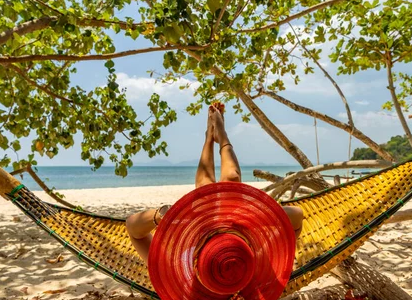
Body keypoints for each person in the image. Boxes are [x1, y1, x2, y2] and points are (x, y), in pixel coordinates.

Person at [125, 103, 304, 263]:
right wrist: (252, 215)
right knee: (231, 181)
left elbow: (133, 229)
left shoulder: (179, 273)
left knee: (207, 192)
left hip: (215, 232)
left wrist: (162, 215)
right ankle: (222, 136)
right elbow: (296, 216)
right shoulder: (251, 271)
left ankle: (210, 138)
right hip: (236, 237)